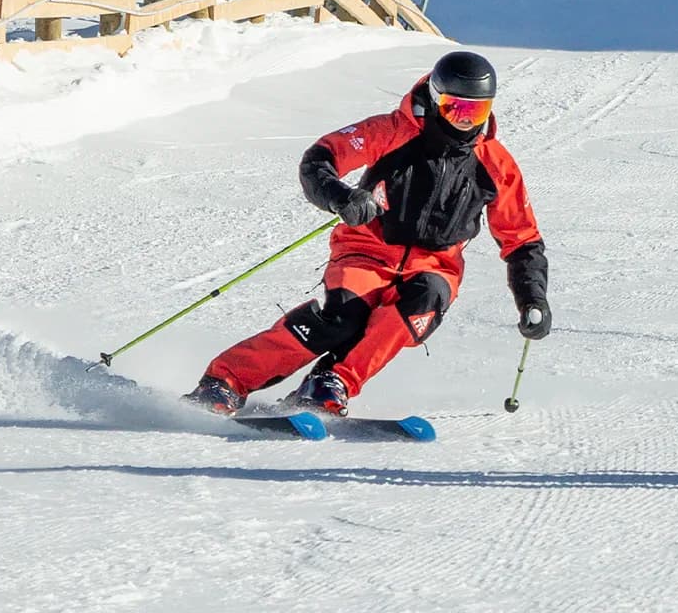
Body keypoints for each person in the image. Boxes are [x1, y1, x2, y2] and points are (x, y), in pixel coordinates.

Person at [186, 50, 550, 418]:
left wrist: (532, 299)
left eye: (477, 111)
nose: (465, 122)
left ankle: (332, 382)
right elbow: (321, 158)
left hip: (436, 266)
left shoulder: (496, 164)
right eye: (456, 109)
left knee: (416, 309)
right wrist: (342, 198)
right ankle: (226, 380)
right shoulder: (393, 131)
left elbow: (522, 240)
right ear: (437, 99)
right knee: (341, 319)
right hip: (367, 250)